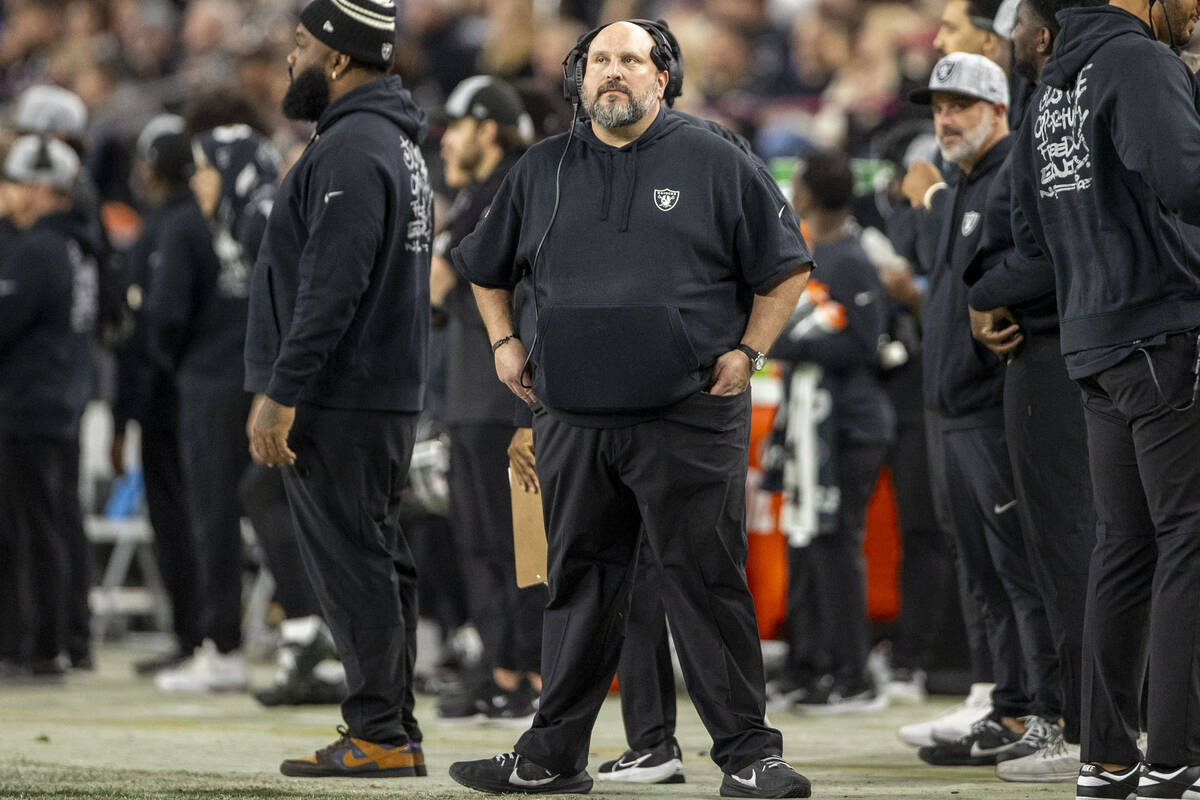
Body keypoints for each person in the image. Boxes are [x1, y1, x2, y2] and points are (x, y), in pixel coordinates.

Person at [447, 19, 813, 799]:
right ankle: (552, 757)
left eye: (631, 62)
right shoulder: (540, 167)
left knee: (705, 581)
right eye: (601, 61)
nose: (615, 74)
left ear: (664, 76)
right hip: (572, 417)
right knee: (578, 586)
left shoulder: (716, 157)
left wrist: (748, 353)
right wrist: (504, 343)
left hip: (686, 413)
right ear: (580, 77)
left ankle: (750, 757)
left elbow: (786, 267)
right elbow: (481, 266)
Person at [1007, 0, 1200, 795]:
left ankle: (1108, 755)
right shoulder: (1138, 62)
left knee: (1123, 547)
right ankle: (1177, 756)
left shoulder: (1053, 85)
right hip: (1161, 333)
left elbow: (1028, 234)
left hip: (1094, 342)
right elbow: (1187, 181)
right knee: (1188, 539)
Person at [244, 0, 432, 779]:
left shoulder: (354, 146)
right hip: (374, 390)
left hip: (343, 395)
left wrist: (282, 389)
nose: (291, 61)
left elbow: (332, 284)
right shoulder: (387, 141)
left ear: (339, 57)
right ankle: (391, 726)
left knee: (355, 566)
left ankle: (380, 730)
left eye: (300, 46)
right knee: (378, 562)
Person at [961, 0, 1105, 782]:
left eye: (1012, 27)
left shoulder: (1069, 102)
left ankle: (1093, 729)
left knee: (1077, 550)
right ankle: (1088, 722)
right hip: (1057, 347)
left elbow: (1054, 247)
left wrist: (985, 291)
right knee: (1067, 554)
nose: (1001, 38)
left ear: (1042, 36)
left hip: (1058, 351)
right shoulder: (1053, 103)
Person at [906, 53, 1059, 768]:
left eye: (961, 104)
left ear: (999, 110)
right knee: (987, 572)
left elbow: (1030, 268)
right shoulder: (965, 186)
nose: (946, 117)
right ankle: (1009, 705)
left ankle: (1041, 712)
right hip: (954, 410)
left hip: (996, 409)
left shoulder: (1007, 182)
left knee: (1019, 571)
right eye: (938, 106)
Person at [430, 74, 546, 724]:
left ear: (489, 129)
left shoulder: (506, 190)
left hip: (503, 400)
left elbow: (443, 283)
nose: (449, 140)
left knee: (516, 545)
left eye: (459, 126)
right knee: (482, 544)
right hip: (474, 395)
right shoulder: (480, 193)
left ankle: (523, 673)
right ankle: (503, 667)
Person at [149, 116, 278, 693]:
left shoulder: (190, 229)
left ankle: (222, 644)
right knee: (275, 510)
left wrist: (178, 364)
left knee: (215, 516)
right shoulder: (274, 223)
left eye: (204, 168)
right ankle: (302, 631)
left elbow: (165, 318)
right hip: (265, 387)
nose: (196, 180)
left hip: (210, 385)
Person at [767, 150, 895, 712]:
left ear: (811, 193)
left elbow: (865, 342)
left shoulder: (849, 256)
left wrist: (784, 342)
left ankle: (854, 674)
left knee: (838, 543)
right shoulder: (810, 250)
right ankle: (810, 663)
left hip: (849, 425)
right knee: (808, 539)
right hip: (810, 423)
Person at [0, 136, 96, 682]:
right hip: (61, 397)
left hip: (30, 402)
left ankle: (39, 645)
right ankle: (56, 641)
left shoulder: (37, 248)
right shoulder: (76, 244)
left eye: (15, 182)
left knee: (30, 529)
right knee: (52, 523)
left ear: (41, 189)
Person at [116, 115, 203, 677]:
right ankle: (202, 634)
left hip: (168, 394)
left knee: (179, 518)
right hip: (192, 390)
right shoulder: (197, 221)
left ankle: (196, 635)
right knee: (195, 514)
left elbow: (151, 325)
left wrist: (133, 406)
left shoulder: (163, 229)